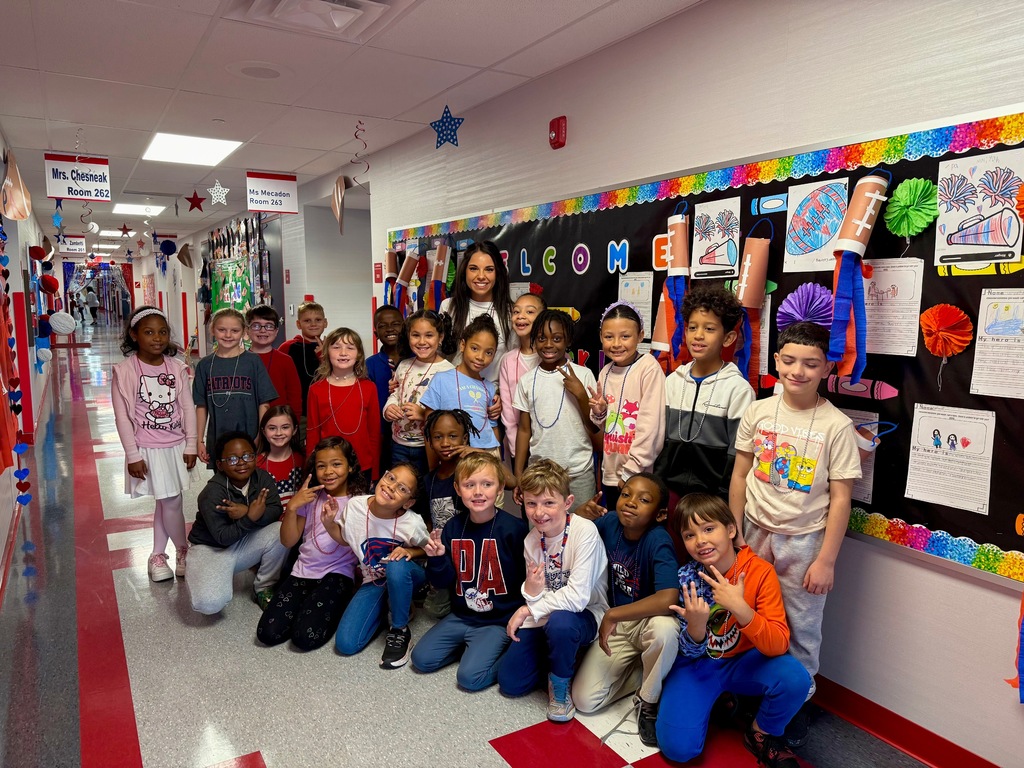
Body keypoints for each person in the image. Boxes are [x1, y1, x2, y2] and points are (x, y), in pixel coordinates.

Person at [729, 320, 861, 746]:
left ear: (827, 369)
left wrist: (825, 560)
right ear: (775, 362)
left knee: (802, 627)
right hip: (753, 532)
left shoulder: (836, 425)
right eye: (788, 361)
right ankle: (753, 691)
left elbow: (842, 498)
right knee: (750, 613)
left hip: (805, 541)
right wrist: (735, 530)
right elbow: (740, 474)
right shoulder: (759, 410)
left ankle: (795, 703)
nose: (798, 371)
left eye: (810, 363)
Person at [656, 494, 810, 767]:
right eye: (689, 535)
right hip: (699, 665)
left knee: (796, 677)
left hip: (744, 662)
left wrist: (742, 609)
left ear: (730, 529)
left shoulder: (760, 572)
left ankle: (759, 733)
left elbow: (778, 645)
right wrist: (696, 627)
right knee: (678, 750)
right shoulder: (685, 577)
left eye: (708, 529)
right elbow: (687, 650)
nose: (700, 540)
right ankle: (718, 700)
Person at [572, 473, 679, 747]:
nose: (631, 503)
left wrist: (613, 614)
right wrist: (579, 514)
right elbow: (571, 533)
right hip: (619, 626)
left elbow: (668, 598)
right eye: (626, 494)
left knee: (667, 630)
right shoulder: (610, 523)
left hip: (645, 620)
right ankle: (645, 673)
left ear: (659, 514)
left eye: (644, 500)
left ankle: (649, 700)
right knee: (585, 701)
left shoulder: (659, 540)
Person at [499, 460, 609, 723]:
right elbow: (537, 594)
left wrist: (529, 607)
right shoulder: (531, 540)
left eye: (549, 503)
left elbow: (577, 597)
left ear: (568, 502)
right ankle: (561, 659)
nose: (539, 512)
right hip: (548, 615)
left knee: (561, 622)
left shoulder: (585, 532)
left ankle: (560, 686)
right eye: (531, 503)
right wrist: (532, 594)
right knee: (510, 682)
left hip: (585, 614)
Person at [411, 452, 528, 690]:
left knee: (469, 678)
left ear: (500, 487)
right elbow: (442, 581)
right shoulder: (453, 528)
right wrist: (436, 560)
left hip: (497, 621)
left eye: (487, 484)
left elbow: (525, 580)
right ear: (457, 488)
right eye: (469, 485)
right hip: (462, 615)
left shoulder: (514, 529)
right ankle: (471, 649)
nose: (478, 492)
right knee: (421, 660)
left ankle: (508, 657)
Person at [653, 286, 755, 541]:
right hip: (671, 493)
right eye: (692, 327)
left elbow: (736, 457)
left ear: (728, 338)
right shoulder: (672, 382)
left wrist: (723, 501)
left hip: (712, 499)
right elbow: (660, 441)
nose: (698, 336)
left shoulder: (737, 389)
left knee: (705, 569)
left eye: (709, 329)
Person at [111, 306, 197, 582]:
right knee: (171, 501)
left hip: (175, 446)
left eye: (162, 332)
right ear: (134, 335)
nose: (157, 338)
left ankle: (157, 555)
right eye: (148, 332)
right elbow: (122, 418)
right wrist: (132, 455)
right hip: (147, 448)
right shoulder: (124, 371)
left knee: (167, 501)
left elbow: (188, 406)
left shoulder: (177, 368)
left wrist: (191, 444)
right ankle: (183, 549)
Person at [256, 437, 365, 651]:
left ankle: (340, 603)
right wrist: (292, 508)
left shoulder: (359, 502)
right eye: (321, 466)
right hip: (302, 571)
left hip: (337, 574)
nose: (328, 471)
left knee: (305, 637)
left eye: (336, 464)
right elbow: (288, 540)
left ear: (350, 467)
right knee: (267, 634)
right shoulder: (311, 497)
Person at [327, 463, 428, 669]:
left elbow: (430, 551)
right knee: (346, 644)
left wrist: (410, 551)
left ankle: (400, 629)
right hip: (374, 579)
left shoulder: (413, 523)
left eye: (402, 488)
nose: (391, 487)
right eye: (391, 478)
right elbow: (347, 539)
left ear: (408, 503)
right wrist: (329, 523)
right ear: (382, 477)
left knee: (396, 565)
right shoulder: (355, 506)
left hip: (408, 575)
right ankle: (390, 603)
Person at [186, 431, 288, 613]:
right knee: (208, 605)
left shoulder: (262, 477)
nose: (242, 463)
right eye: (232, 459)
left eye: (248, 456)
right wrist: (250, 517)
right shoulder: (211, 493)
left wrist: (247, 512)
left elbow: (276, 510)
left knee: (281, 531)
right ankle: (198, 570)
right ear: (219, 465)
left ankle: (264, 587)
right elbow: (223, 537)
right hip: (210, 549)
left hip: (242, 543)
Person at [513, 309, 600, 512]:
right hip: (540, 475)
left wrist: (580, 394)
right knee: (540, 533)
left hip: (578, 473)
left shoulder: (584, 374)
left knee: (581, 531)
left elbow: (594, 427)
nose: (549, 344)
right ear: (534, 341)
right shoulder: (527, 381)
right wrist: (519, 474)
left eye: (557, 338)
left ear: (568, 341)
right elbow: (524, 430)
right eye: (542, 338)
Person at [589, 302, 666, 511]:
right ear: (600, 337)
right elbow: (606, 426)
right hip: (611, 472)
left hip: (637, 475)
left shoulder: (648, 368)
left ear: (640, 336)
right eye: (609, 336)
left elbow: (651, 428)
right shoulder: (605, 371)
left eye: (625, 336)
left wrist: (630, 472)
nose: (616, 344)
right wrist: (599, 412)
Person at [193, 307, 277, 467]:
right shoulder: (205, 365)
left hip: (250, 436)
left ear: (244, 331)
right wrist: (199, 440)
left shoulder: (253, 362)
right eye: (222, 330)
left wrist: (261, 434)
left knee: (248, 481)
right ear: (212, 330)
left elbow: (264, 403)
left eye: (234, 330)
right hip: (218, 437)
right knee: (222, 483)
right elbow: (201, 406)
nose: (228, 335)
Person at [415, 409, 476, 618]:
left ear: (464, 438)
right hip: (444, 553)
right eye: (438, 437)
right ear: (429, 442)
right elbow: (429, 522)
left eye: (452, 436)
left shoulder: (472, 472)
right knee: (435, 609)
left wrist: (478, 453)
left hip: (471, 550)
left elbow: (511, 482)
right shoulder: (429, 481)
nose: (445, 443)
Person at [384, 309, 454, 476]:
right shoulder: (403, 365)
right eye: (416, 335)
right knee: (400, 492)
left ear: (441, 337)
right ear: (408, 336)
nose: (422, 341)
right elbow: (396, 393)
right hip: (398, 444)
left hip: (428, 447)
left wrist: (424, 414)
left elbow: (452, 415)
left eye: (429, 335)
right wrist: (389, 407)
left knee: (424, 493)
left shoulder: (448, 371)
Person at [305, 327, 380, 482]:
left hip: (362, 466)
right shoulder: (316, 390)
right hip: (328, 468)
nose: (343, 353)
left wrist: (374, 473)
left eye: (350, 348)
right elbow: (313, 434)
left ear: (359, 354)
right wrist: (311, 472)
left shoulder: (368, 387)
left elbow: (374, 433)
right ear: (326, 352)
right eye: (336, 347)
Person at [420, 316, 501, 458]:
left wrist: (497, 459)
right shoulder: (441, 379)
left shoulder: (489, 387)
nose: (480, 357)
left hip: (487, 454)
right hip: (453, 454)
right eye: (475, 348)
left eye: (488, 352)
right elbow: (429, 427)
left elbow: (493, 427)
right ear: (462, 345)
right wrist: (433, 470)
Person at [439, 240, 513, 383]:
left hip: (493, 399)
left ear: (498, 272)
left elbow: (516, 362)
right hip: (453, 395)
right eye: (473, 268)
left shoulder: (511, 313)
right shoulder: (448, 307)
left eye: (489, 269)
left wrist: (499, 393)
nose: (481, 276)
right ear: (464, 271)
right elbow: (436, 355)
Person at [499, 291, 545, 460]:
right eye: (516, 311)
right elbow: (509, 415)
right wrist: (517, 451)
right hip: (521, 450)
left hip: (550, 447)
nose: (521, 316)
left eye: (530, 311)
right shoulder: (508, 360)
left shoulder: (556, 358)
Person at [366, 305, 406, 471]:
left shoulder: (417, 359)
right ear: (375, 333)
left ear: (404, 328)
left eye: (396, 324)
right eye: (383, 326)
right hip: (381, 433)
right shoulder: (370, 364)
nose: (390, 329)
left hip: (411, 434)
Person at [246, 305, 302, 419]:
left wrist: (293, 421)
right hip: (247, 421)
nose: (263, 330)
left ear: (276, 331)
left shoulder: (286, 360)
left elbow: (294, 396)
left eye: (269, 326)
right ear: (247, 330)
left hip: (279, 423)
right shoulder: (240, 360)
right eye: (256, 326)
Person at [279, 300, 327, 418]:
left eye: (318, 320)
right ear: (298, 324)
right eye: (307, 321)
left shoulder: (332, 347)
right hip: (298, 412)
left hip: (324, 410)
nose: (313, 324)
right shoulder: (288, 347)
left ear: (325, 323)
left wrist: (324, 357)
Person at [254, 405, 304, 508]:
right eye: (272, 428)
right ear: (264, 431)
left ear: (294, 430)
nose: (279, 433)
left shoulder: (303, 459)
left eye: (285, 427)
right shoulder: (256, 463)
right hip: (269, 521)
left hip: (299, 519)